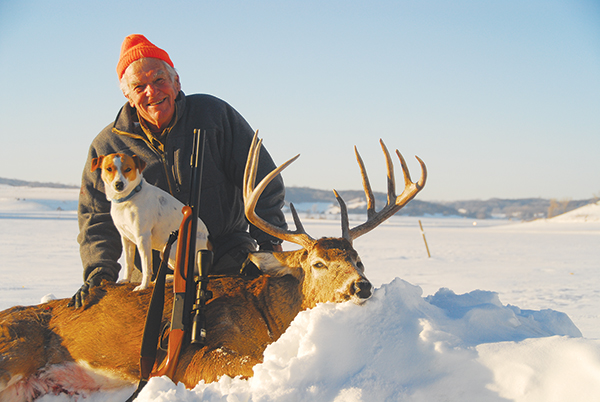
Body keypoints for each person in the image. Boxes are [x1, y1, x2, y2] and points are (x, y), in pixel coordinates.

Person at [70, 34, 287, 307]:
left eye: (159, 80)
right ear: (126, 94)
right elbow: (96, 218)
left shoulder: (214, 115)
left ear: (176, 82)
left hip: (227, 258)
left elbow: (261, 179)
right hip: (151, 275)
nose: (152, 92)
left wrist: (269, 245)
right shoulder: (108, 145)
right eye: (139, 86)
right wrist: (98, 274)